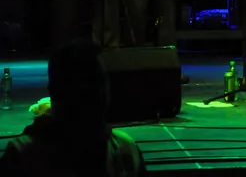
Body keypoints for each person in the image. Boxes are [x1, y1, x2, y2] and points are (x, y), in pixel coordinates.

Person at [0, 38, 146, 177]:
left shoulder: (127, 150)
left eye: (98, 81)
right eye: (85, 85)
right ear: (56, 92)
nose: (95, 91)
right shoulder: (22, 156)